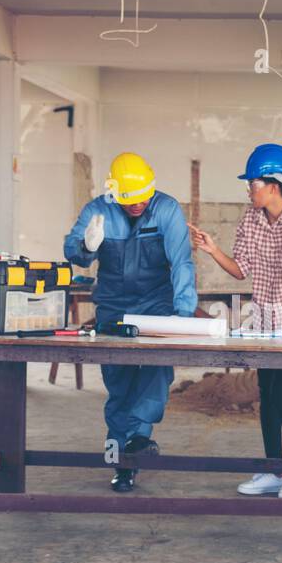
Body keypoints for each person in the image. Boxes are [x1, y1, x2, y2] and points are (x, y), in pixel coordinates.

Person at [187, 143, 282, 501]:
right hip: (263, 317)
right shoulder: (251, 218)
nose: (249, 189)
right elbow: (240, 270)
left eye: (252, 183)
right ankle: (273, 470)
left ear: (273, 185)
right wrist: (212, 248)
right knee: (266, 395)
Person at [64, 152, 197, 492]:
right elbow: (72, 251)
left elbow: (181, 262)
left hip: (156, 305)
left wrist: (183, 315)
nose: (136, 205)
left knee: (156, 370)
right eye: (129, 200)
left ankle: (136, 440)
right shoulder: (99, 210)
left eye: (142, 199)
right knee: (119, 383)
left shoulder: (166, 209)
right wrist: (86, 246)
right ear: (115, 193)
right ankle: (121, 461)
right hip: (113, 308)